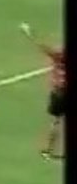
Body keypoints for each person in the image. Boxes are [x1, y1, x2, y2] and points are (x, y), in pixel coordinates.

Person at [20, 23, 66, 159]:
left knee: (56, 121)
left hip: (60, 92)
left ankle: (49, 150)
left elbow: (42, 47)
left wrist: (29, 33)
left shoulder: (59, 55)